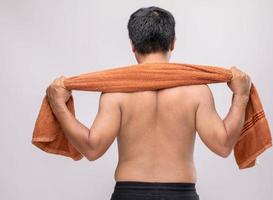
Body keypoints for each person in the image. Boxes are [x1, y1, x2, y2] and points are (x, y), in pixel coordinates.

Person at [46, 6, 252, 200]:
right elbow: (223, 146)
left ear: (133, 46)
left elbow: (92, 149)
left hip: (129, 193)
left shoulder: (115, 92)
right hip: (181, 194)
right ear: (173, 43)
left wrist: (58, 106)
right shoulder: (197, 92)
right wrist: (241, 96)